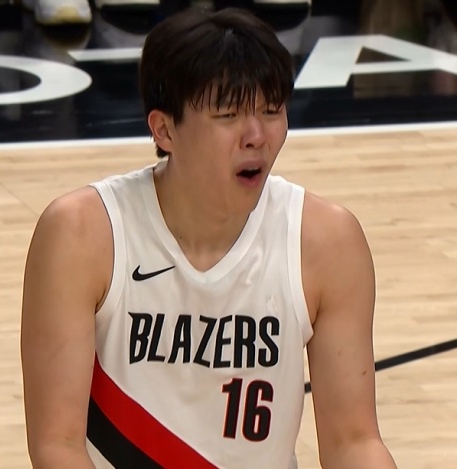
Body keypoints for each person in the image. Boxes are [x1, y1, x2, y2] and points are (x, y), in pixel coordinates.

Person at [20, 7, 398, 469]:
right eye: (228, 114)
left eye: (271, 110)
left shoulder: (326, 241)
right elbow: (57, 444)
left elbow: (352, 442)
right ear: (164, 129)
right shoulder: (82, 235)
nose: (256, 135)